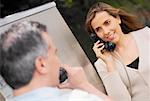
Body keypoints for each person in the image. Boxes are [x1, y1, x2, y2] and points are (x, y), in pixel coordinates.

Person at [0, 21, 112, 101]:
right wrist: (84, 85)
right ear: (42, 64)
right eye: (54, 53)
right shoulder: (76, 98)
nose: (59, 62)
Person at [85, 2, 150, 101]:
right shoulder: (102, 64)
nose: (106, 32)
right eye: (98, 29)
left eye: (107, 23)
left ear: (118, 19)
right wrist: (110, 64)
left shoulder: (146, 35)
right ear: (95, 36)